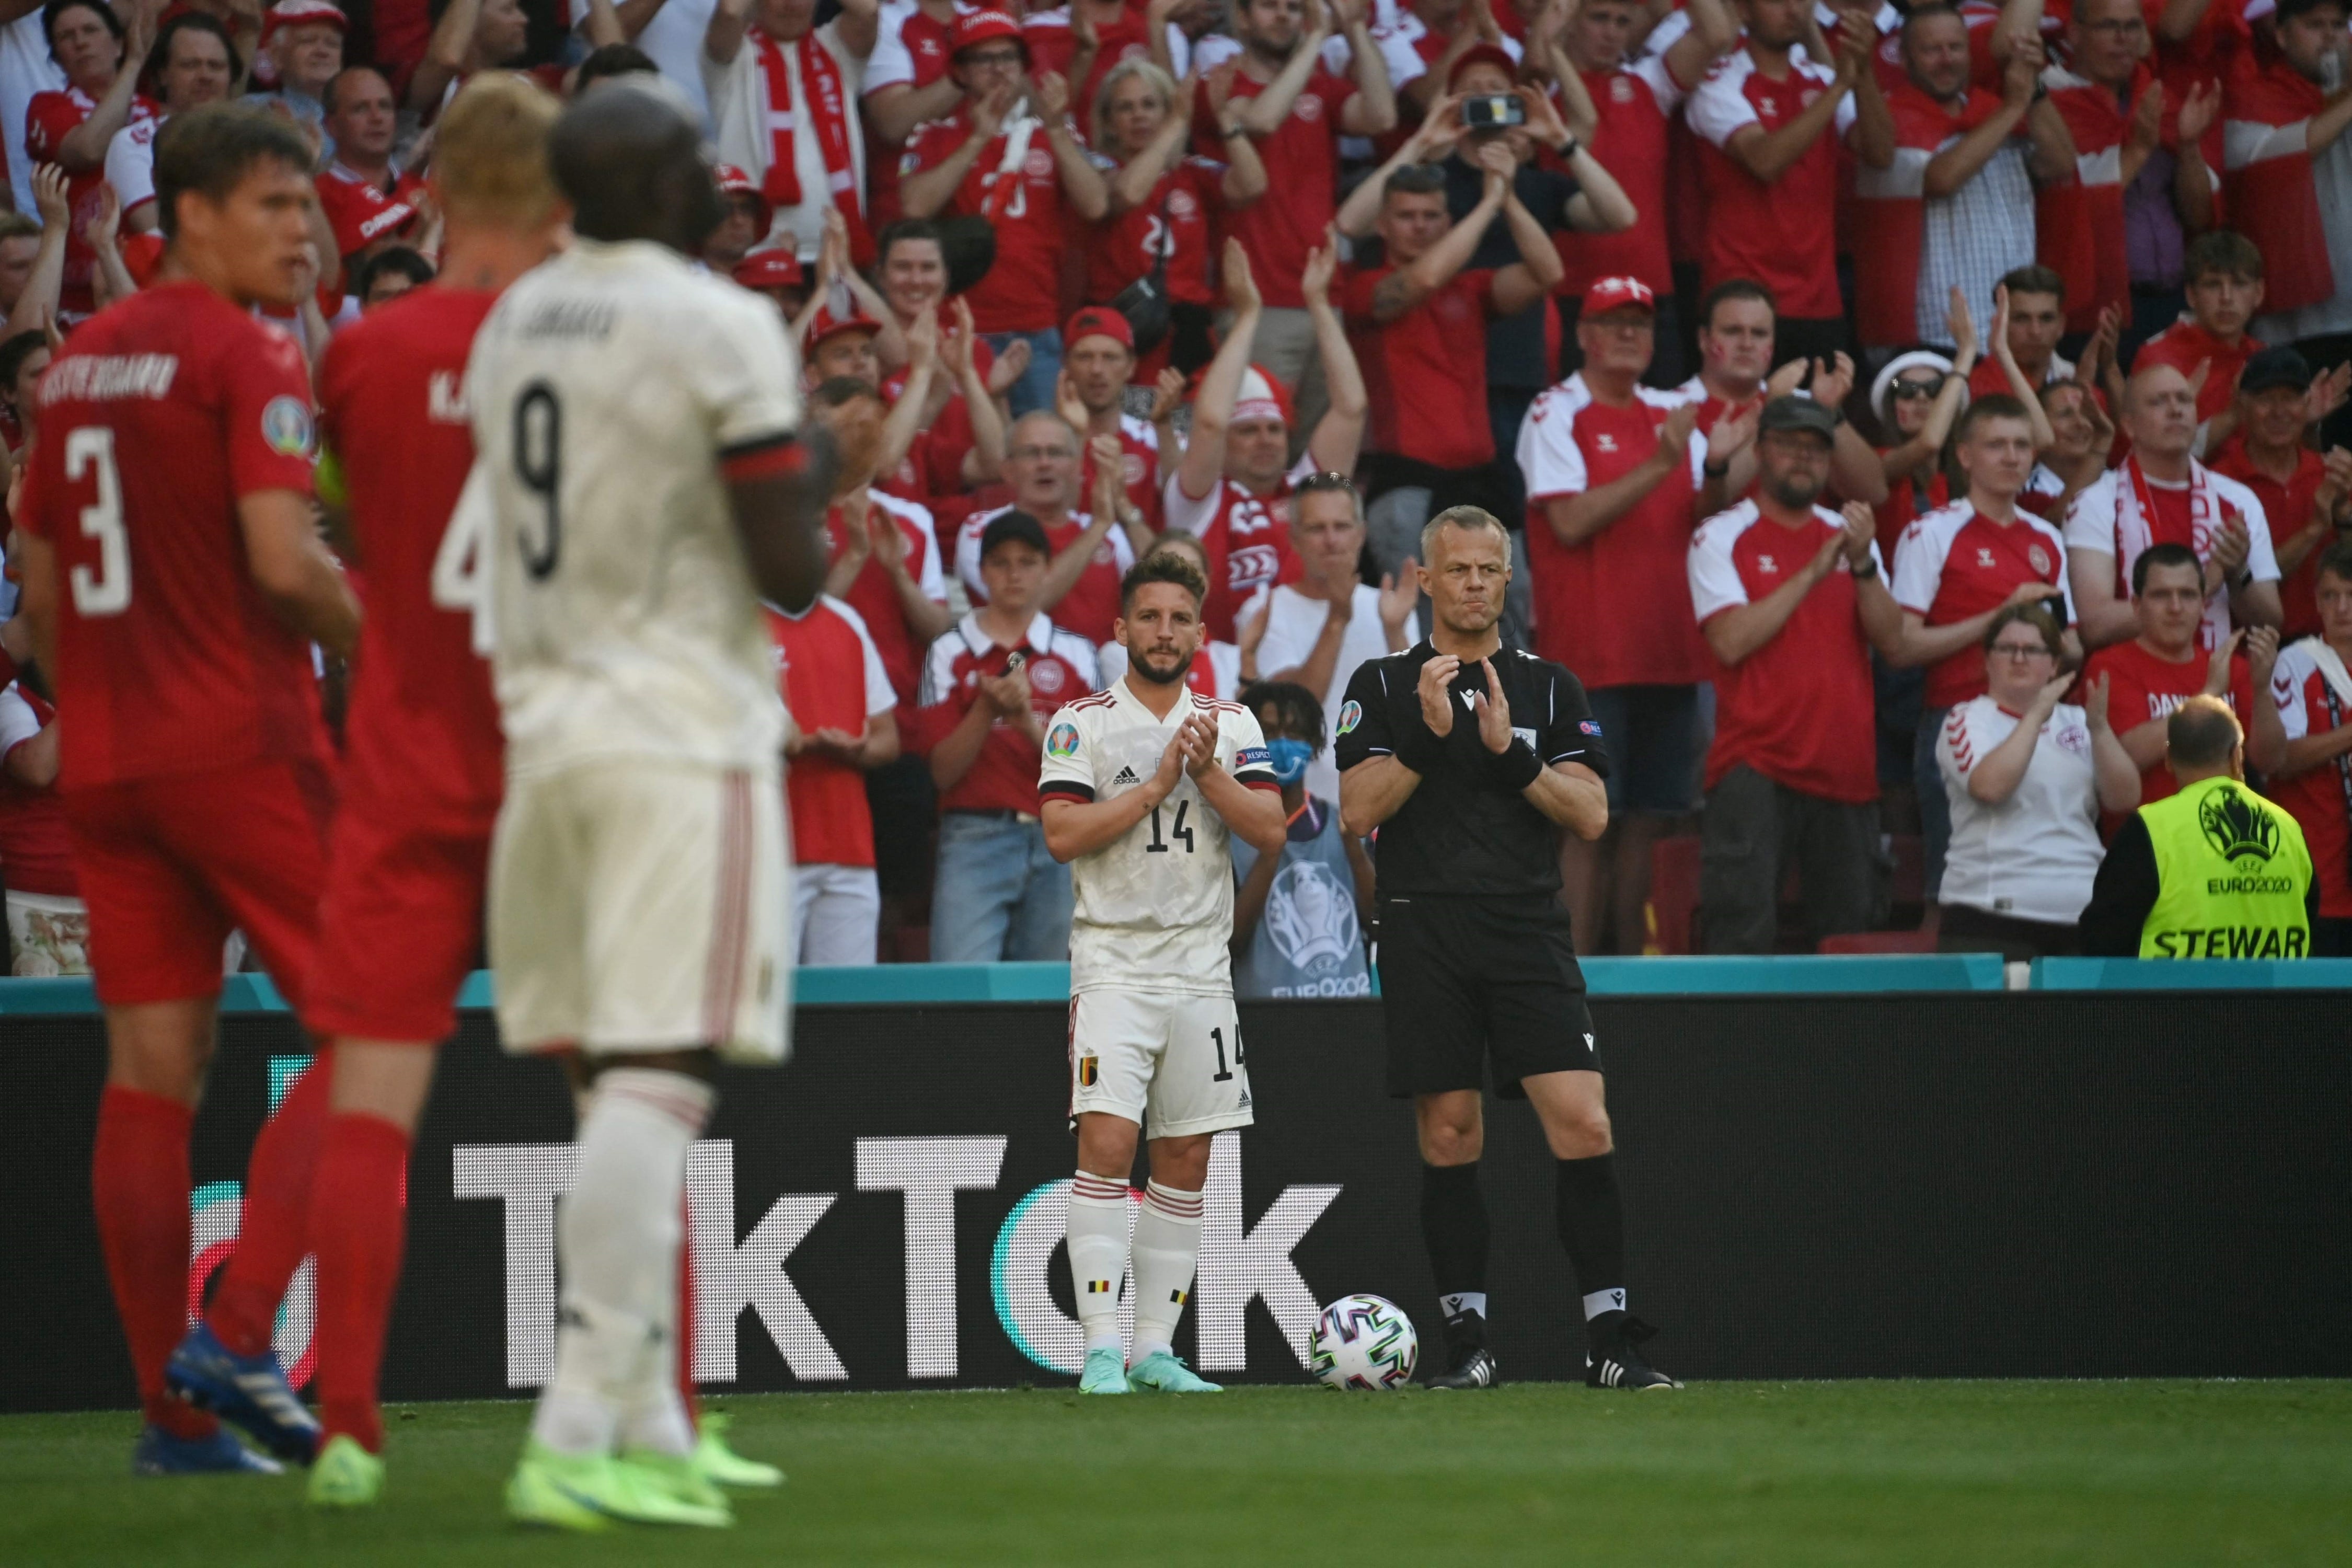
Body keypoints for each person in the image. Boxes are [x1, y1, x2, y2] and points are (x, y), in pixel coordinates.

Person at [458, 78, 832, 1529]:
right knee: (663, 1072)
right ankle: (573, 1420)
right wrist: (827, 454)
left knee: (609, 1076)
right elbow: (789, 561)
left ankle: (653, 1419)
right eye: (697, 167)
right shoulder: (715, 323)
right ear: (670, 191)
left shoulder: (515, 321)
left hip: (545, 731)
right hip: (680, 730)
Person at [15, 102, 360, 1477]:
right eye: (275, 206)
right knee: (379, 1027)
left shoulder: (81, 361)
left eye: (307, 204)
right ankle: (240, 1325)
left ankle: (169, 1421)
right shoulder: (245, 351)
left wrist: (108, 703)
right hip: (240, 749)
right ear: (195, 212)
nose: (302, 231)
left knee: (153, 1078)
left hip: (107, 763)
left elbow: (39, 590)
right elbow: (284, 565)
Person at [296, 75, 571, 1511]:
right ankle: (649, 1420)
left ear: (436, 191)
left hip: (400, 768)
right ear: (558, 202)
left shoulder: (362, 350)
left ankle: (346, 1427)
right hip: (551, 772)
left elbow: (331, 512)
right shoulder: (583, 357)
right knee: (630, 1103)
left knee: (368, 1105)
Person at [1338, 505, 1673, 1392]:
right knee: (1450, 1134)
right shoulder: (1378, 682)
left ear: (1507, 577)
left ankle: (1610, 1342)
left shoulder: (1552, 687)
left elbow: (1595, 815)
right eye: (1458, 571)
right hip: (1422, 927)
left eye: (1490, 569)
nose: (1475, 584)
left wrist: (1514, 760)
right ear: (1425, 578)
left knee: (1585, 1121)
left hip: (1528, 925)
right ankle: (1469, 1347)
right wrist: (1428, 731)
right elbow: (1358, 811)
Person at [1039, 550, 1285, 1394]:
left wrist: (1205, 767)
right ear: (1121, 630)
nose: (1165, 631)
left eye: (1180, 619)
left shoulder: (1232, 723)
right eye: (1149, 617)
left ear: (1201, 634)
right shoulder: (1081, 722)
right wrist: (1154, 787)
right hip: (1112, 961)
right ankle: (1100, 1346)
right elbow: (1061, 835)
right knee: (1108, 1141)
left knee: (1185, 1158)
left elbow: (1273, 830)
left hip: (1199, 970)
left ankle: (1154, 1350)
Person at [1517, 275, 1705, 956]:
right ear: (1584, 336)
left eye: (1642, 323)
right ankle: (1573, 978)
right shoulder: (1554, 411)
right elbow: (1566, 520)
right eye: (1613, 321)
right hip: (1590, 656)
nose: (1630, 334)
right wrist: (1661, 463)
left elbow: (1711, 504)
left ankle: (1632, 978)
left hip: (1671, 650)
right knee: (1586, 821)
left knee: (1649, 824)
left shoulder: (1672, 408)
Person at [1689, 398, 1904, 952]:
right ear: (1760, 452)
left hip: (1847, 768)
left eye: (1815, 449)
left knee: (1852, 945)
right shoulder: (1721, 536)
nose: (1802, 459)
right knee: (1740, 939)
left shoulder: (1849, 533)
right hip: (1756, 766)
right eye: (1788, 445)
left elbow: (1894, 642)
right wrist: (1813, 571)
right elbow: (1731, 641)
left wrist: (1862, 565)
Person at [1334, 141, 1570, 582]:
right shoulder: (1364, 288)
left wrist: (1509, 199)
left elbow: (1548, 272)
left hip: (1481, 484)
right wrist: (1488, 206)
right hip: (1408, 484)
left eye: (1431, 217)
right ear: (1383, 226)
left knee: (1509, 631)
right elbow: (1423, 278)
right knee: (1424, 638)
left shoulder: (1472, 288)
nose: (1420, 227)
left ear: (1448, 223)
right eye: (1407, 217)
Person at [1890, 394, 2077, 902]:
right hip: (1957, 718)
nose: (2013, 457)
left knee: (2038, 875)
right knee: (1952, 883)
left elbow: (2075, 646)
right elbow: (1901, 647)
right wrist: (2000, 620)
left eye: (2022, 446)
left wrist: (2050, 639)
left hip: (2040, 721)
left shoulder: (2047, 537)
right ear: (1965, 455)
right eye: (1996, 445)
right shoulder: (1931, 533)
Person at [897, 9, 1109, 414]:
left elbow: (1096, 204)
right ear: (960, 71)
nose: (998, 70)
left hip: (1037, 327)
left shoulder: (1051, 132)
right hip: (958, 329)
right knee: (967, 460)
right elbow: (915, 207)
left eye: (1008, 58)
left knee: (1041, 454)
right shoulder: (934, 133)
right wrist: (978, 138)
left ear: (1024, 66)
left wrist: (1057, 128)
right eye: (983, 59)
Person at [916, 509, 1101, 962]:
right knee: (958, 992)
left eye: (1027, 561)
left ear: (1047, 569)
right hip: (972, 835)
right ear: (981, 573)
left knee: (1044, 999)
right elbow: (941, 773)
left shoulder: (1078, 654)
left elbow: (1093, 772)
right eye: (1000, 562)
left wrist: (1026, 725)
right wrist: (985, 710)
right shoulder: (948, 651)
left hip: (1055, 835)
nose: (1014, 574)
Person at [1165, 239, 1366, 642]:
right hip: (1223, 668)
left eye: (1274, 429)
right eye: (1248, 430)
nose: (1266, 440)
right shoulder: (1198, 499)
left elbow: (1351, 408)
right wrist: (1248, 317)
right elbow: (1208, 423)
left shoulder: (1306, 488)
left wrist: (1319, 304)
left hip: (1309, 660)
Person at [1213, 0, 1397, 425]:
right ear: (1241, 17)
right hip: (1258, 300)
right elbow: (1261, 121)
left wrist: (1354, 31)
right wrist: (1317, 36)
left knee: (1317, 442)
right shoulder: (1223, 83)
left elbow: (1382, 116)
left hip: (1322, 294)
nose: (1284, 16)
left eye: (1296, 8)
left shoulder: (1320, 87)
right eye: (1269, 6)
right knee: (1257, 436)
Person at [1849, 5, 2072, 355]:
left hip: (2011, 331)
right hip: (1933, 332)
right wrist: (2013, 107)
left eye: (1955, 48)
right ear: (1905, 60)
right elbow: (1941, 179)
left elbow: (2060, 162)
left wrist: (2035, 86)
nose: (1946, 59)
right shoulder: (1889, 118)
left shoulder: (1991, 109)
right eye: (1931, 50)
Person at [1934, 604, 2141, 959]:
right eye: (2006, 649)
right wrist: (2036, 716)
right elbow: (1990, 787)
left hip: (2082, 916)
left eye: (2032, 650)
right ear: (1987, 661)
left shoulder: (2078, 721)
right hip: (1992, 918)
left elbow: (2125, 798)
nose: (2019, 658)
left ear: (2055, 665)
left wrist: (2100, 730)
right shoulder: (1967, 719)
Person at [1687, 0, 1885, 367]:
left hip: (1819, 299)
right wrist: (1841, 85)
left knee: (1820, 420)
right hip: (1742, 296)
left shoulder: (1820, 80)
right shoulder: (1719, 82)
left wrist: (1864, 69)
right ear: (1743, 11)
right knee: (1745, 420)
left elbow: (1879, 153)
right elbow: (1766, 161)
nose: (1793, 9)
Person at [1547, 0, 1737, 383]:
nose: (1611, 32)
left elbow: (1717, 34)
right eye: (1599, 18)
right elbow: (1540, 53)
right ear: (1570, 22)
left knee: (1661, 425)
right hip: (1573, 295)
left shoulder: (1649, 84)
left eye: (1621, 21)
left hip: (1650, 293)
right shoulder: (1543, 90)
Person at [2063, 363, 2282, 652]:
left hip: (2219, 682)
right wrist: (2203, 586)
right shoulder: (2096, 502)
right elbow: (2095, 625)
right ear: (2129, 426)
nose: (2175, 410)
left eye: (2184, 400)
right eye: (2159, 402)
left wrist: (2238, 572)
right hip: (2133, 682)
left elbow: (2271, 623)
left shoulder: (2239, 500)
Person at [2084, 694, 2316, 956]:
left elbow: (2104, 934)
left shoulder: (2149, 827)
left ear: (2169, 759)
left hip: (2175, 995)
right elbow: (2309, 913)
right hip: (2278, 995)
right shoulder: (2287, 826)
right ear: (2237, 755)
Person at [1087, 56, 1265, 375]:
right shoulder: (1099, 170)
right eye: (1126, 108)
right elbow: (1129, 193)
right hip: (1129, 332)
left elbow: (1252, 185)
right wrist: (1174, 125)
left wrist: (1223, 115)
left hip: (1188, 333)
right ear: (1110, 122)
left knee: (1185, 422)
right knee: (1135, 421)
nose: (1139, 115)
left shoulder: (1191, 171)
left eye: (1149, 105)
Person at [1252, 471, 1417, 800]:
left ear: (1362, 534)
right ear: (1294, 539)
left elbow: (1415, 710)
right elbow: (1295, 713)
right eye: (1317, 528)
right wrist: (1337, 620)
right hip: (1305, 807)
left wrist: (1395, 631)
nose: (1331, 540)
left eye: (1342, 527)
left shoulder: (1391, 606)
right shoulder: (1268, 608)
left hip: (1381, 803)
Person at [2081, 543, 2260, 827]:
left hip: (2224, 835)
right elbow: (2132, 755)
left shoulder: (2232, 667)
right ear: (2137, 606)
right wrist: (2208, 695)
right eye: (2161, 595)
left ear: (2203, 605)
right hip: (2148, 840)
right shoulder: (2110, 666)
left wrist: (2263, 690)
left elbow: (2270, 762)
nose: (2175, 608)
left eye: (2187, 595)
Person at [2222, 0, 2352, 372]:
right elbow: (2279, 159)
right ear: (2280, 34)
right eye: (2314, 25)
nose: (2330, 37)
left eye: (2339, 25)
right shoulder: (2253, 97)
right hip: (2294, 326)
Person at [770, 593, 900, 963]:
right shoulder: (739, 619)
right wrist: (792, 742)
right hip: (774, 848)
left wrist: (855, 750)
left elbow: (887, 739)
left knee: (848, 1007)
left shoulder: (848, 620)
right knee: (770, 1002)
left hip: (850, 848)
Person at [704, 0, 880, 262]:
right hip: (756, 256)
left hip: (834, 255)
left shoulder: (836, 46)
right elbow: (730, 10)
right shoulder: (735, 52)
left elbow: (867, 10)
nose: (792, 5)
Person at [1229, 678, 1373, 998]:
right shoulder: (1229, 834)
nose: (1281, 743)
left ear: (1314, 742)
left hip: (1350, 1013)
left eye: (1294, 733)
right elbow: (1230, 942)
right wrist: (1269, 851)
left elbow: (1379, 923)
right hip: (1267, 1022)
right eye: (1267, 733)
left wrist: (1354, 849)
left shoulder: (1347, 824)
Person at [956, 411, 1149, 645]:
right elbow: (1028, 604)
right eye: (1031, 454)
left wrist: (1123, 504)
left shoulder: (1106, 530)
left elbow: (1177, 581)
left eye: (1056, 453)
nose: (1045, 463)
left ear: (1078, 467)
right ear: (1008, 470)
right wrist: (1098, 527)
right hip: (1019, 672)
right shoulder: (983, 529)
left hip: (1108, 675)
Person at [2208, 346, 2352, 643]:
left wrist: (2344, 520)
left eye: (2290, 399)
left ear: (2307, 403)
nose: (2279, 412)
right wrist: (2314, 529)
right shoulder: (2219, 483)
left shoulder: (2327, 471)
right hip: (2252, 649)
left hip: (2330, 650)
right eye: (2265, 400)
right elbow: (2248, 582)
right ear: (2242, 405)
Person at [2250, 540, 2352, 955]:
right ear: (2317, 602)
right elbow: (2279, 761)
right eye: (2331, 596)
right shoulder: (2295, 663)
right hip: (2316, 877)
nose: (2342, 608)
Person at [25, 0, 158, 318]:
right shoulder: (48, 106)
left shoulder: (155, 110)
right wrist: (134, 63)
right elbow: (89, 148)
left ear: (117, 43)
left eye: (90, 30)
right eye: (66, 36)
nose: (81, 41)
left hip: (151, 278)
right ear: (57, 57)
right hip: (80, 301)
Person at [107, 13, 239, 236]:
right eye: (190, 65)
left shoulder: (254, 140)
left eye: (216, 66)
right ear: (163, 75)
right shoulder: (134, 143)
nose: (205, 75)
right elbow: (156, 233)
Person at [2134, 231, 2268, 440]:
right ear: (2191, 295)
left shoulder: (2265, 358)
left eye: (2239, 284)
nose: (2227, 297)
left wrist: (2308, 425)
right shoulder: (2157, 360)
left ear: (2259, 293)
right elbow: (2151, 453)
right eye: (2213, 285)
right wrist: (2231, 418)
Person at [1097, 532, 1247, 698]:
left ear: (1207, 582)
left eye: (1192, 570)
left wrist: (1250, 661)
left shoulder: (1233, 659)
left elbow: (1242, 721)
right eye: (1166, 570)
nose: (1177, 580)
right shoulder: (1118, 654)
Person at [0, 679, 82, 975]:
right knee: (45, 1016)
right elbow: (35, 768)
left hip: (117, 894)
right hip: (36, 897)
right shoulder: (11, 688)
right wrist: (89, 695)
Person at [313, 68, 425, 271]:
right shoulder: (314, 197)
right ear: (331, 125)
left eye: (385, 107)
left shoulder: (428, 190)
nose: (377, 118)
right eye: (360, 109)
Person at [243, 0, 343, 137]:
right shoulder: (252, 112)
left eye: (332, 44)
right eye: (308, 41)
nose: (322, 51)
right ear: (276, 55)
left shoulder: (356, 114)